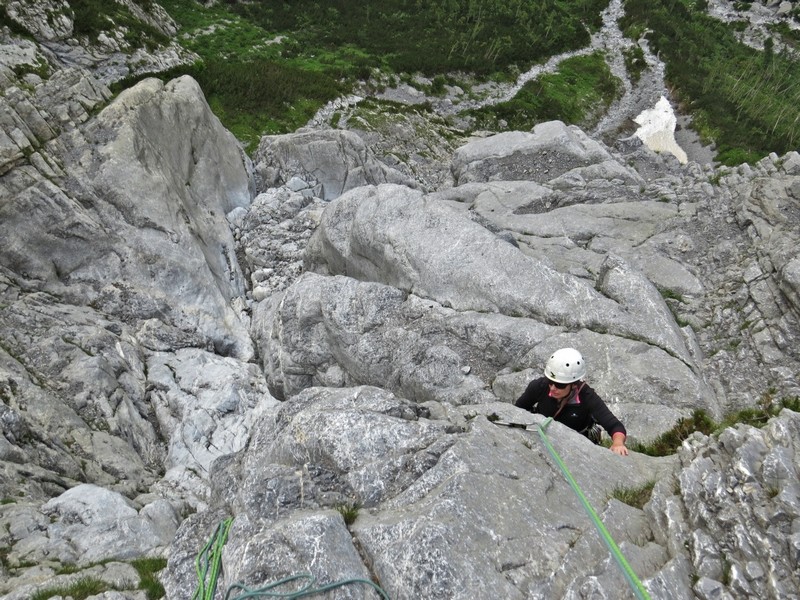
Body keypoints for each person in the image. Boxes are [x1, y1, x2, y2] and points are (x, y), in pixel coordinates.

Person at [515, 348, 629, 456]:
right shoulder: (539, 386)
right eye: (550, 381)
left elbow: (614, 426)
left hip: (578, 444)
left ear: (574, 384)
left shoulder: (587, 396)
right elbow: (517, 410)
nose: (553, 388)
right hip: (540, 435)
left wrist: (618, 443)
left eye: (560, 385)